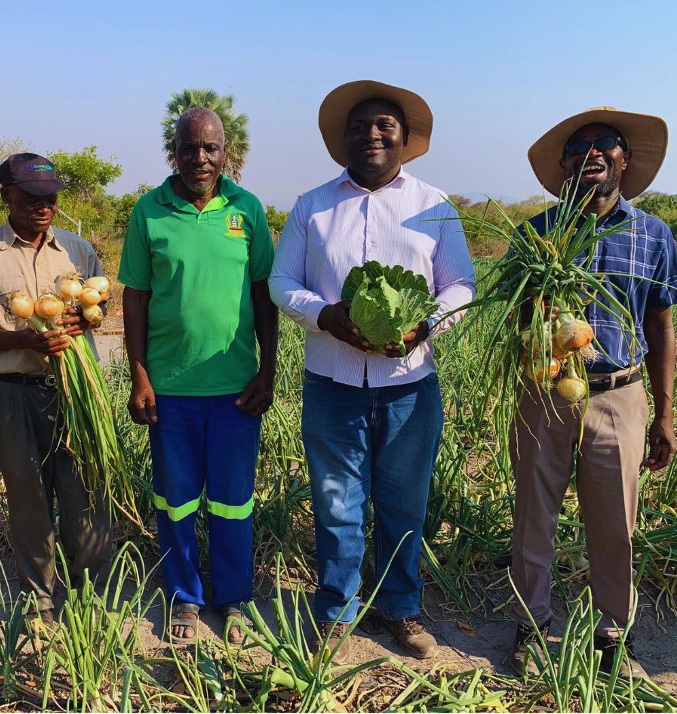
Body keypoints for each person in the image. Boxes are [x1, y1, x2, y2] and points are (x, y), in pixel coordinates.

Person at [269, 80, 475, 662]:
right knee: (337, 503)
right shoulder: (312, 206)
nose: (373, 135)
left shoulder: (435, 206)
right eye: (360, 127)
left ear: (406, 140)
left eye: (386, 126)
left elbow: (460, 286)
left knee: (404, 503)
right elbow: (282, 283)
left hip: (410, 386)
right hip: (332, 383)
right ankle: (336, 610)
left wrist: (426, 325)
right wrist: (327, 316)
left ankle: (400, 609)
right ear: (344, 141)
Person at [508, 107, 676, 678]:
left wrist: (664, 414)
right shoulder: (537, 235)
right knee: (533, 514)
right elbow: (516, 321)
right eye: (579, 147)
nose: (593, 153)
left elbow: (660, 325)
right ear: (565, 165)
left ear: (626, 161)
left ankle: (613, 636)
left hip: (619, 393)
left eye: (607, 143)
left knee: (615, 522)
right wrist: (538, 315)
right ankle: (532, 629)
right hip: (548, 392)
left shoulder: (653, 233)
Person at [119, 107, 277, 645]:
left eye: (210, 148)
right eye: (190, 148)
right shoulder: (149, 211)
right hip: (171, 390)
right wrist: (140, 376)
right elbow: (134, 298)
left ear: (226, 152)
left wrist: (268, 370)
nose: (200, 158)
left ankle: (234, 598)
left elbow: (264, 295)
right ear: (175, 153)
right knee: (177, 500)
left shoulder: (248, 210)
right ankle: (185, 599)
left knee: (234, 501)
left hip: (235, 389)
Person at [0, 153, 112, 627]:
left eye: (50, 197)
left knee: (84, 490)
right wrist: (24, 338)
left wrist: (86, 315)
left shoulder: (78, 250)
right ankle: (39, 598)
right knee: (28, 496)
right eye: (31, 197)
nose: (43, 206)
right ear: (6, 196)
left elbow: (99, 303)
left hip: (76, 390)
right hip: (13, 390)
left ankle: (92, 593)